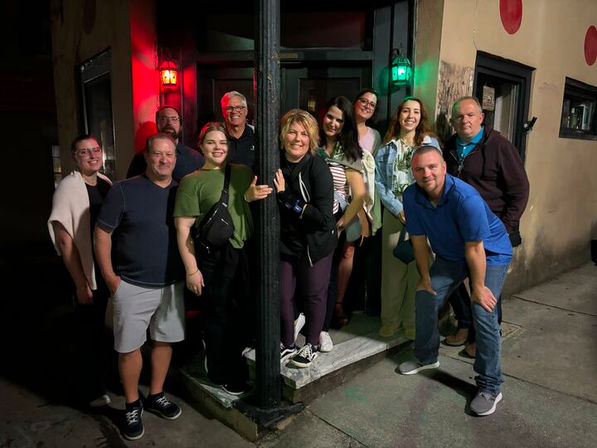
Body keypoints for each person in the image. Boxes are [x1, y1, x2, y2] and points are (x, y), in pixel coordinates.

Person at [398, 145, 512, 417]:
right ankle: (426, 357)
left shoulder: (465, 198)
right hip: (452, 255)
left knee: (482, 310)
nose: (426, 173)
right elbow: (418, 241)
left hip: (490, 252)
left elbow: (475, 248)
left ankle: (490, 385)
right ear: (413, 172)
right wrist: (426, 279)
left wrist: (478, 287)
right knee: (426, 295)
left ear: (444, 168)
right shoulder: (412, 196)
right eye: (419, 169)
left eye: (432, 166)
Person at [95, 133, 185, 441]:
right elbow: (102, 234)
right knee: (129, 348)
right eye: (158, 154)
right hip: (132, 284)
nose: (164, 160)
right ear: (147, 157)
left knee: (164, 342)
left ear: (176, 157)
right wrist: (110, 278)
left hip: (171, 284)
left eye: (169, 155)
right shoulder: (124, 190)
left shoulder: (181, 191)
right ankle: (132, 404)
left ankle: (156, 394)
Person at [174, 122, 271, 394]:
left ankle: (234, 361)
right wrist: (191, 269)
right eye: (211, 142)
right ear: (201, 146)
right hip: (214, 258)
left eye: (223, 143)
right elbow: (184, 230)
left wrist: (250, 198)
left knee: (241, 314)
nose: (218, 148)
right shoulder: (191, 181)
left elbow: (253, 203)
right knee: (217, 315)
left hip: (244, 254)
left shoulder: (243, 172)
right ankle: (220, 369)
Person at [443, 96, 529, 357]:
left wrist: (505, 226)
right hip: (457, 228)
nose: (464, 120)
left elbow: (520, 189)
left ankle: (488, 334)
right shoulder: (449, 146)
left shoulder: (499, 146)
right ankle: (466, 325)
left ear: (481, 118)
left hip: (490, 231)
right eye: (459, 116)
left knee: (487, 287)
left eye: (470, 115)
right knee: (453, 279)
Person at [48, 135, 112, 408]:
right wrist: (80, 282)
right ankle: (90, 391)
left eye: (95, 150)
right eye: (84, 152)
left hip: (105, 268)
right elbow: (64, 239)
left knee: (101, 330)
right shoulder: (68, 187)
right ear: (75, 157)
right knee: (88, 333)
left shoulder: (107, 183)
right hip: (86, 272)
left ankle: (102, 380)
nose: (92, 155)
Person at [275, 109, 337, 368]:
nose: (297, 138)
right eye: (292, 131)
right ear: (282, 135)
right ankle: (288, 343)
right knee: (282, 294)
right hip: (285, 242)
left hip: (316, 242)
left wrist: (287, 199)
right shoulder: (274, 162)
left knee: (314, 294)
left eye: (304, 134)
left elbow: (324, 219)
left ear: (311, 139)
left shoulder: (318, 167)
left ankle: (311, 343)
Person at [374, 97, 440, 339]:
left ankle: (411, 322)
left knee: (419, 271)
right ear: (398, 115)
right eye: (405, 111)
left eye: (416, 112)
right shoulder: (386, 147)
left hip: (423, 215)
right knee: (392, 273)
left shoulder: (430, 145)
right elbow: (379, 183)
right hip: (395, 215)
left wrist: (417, 208)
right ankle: (390, 320)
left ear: (421, 117)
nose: (410, 116)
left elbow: (437, 177)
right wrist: (397, 208)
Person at [317, 96, 372, 351]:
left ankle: (322, 328)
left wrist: (340, 226)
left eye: (339, 120)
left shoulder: (348, 152)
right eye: (330, 116)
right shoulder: (309, 142)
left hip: (330, 224)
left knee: (326, 278)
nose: (333, 123)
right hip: (304, 221)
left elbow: (359, 195)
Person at [127, 105, 204, 180]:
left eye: (174, 119)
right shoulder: (141, 158)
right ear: (157, 124)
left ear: (180, 125)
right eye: (164, 119)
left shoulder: (195, 158)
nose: (169, 123)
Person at [220, 91, 255, 168]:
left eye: (239, 107)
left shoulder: (256, 135)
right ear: (223, 112)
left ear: (246, 111)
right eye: (229, 108)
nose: (234, 111)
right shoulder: (218, 137)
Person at [353, 88, 382, 153]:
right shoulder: (341, 126)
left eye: (372, 105)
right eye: (364, 101)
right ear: (354, 103)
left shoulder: (375, 135)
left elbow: (373, 162)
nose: (367, 106)